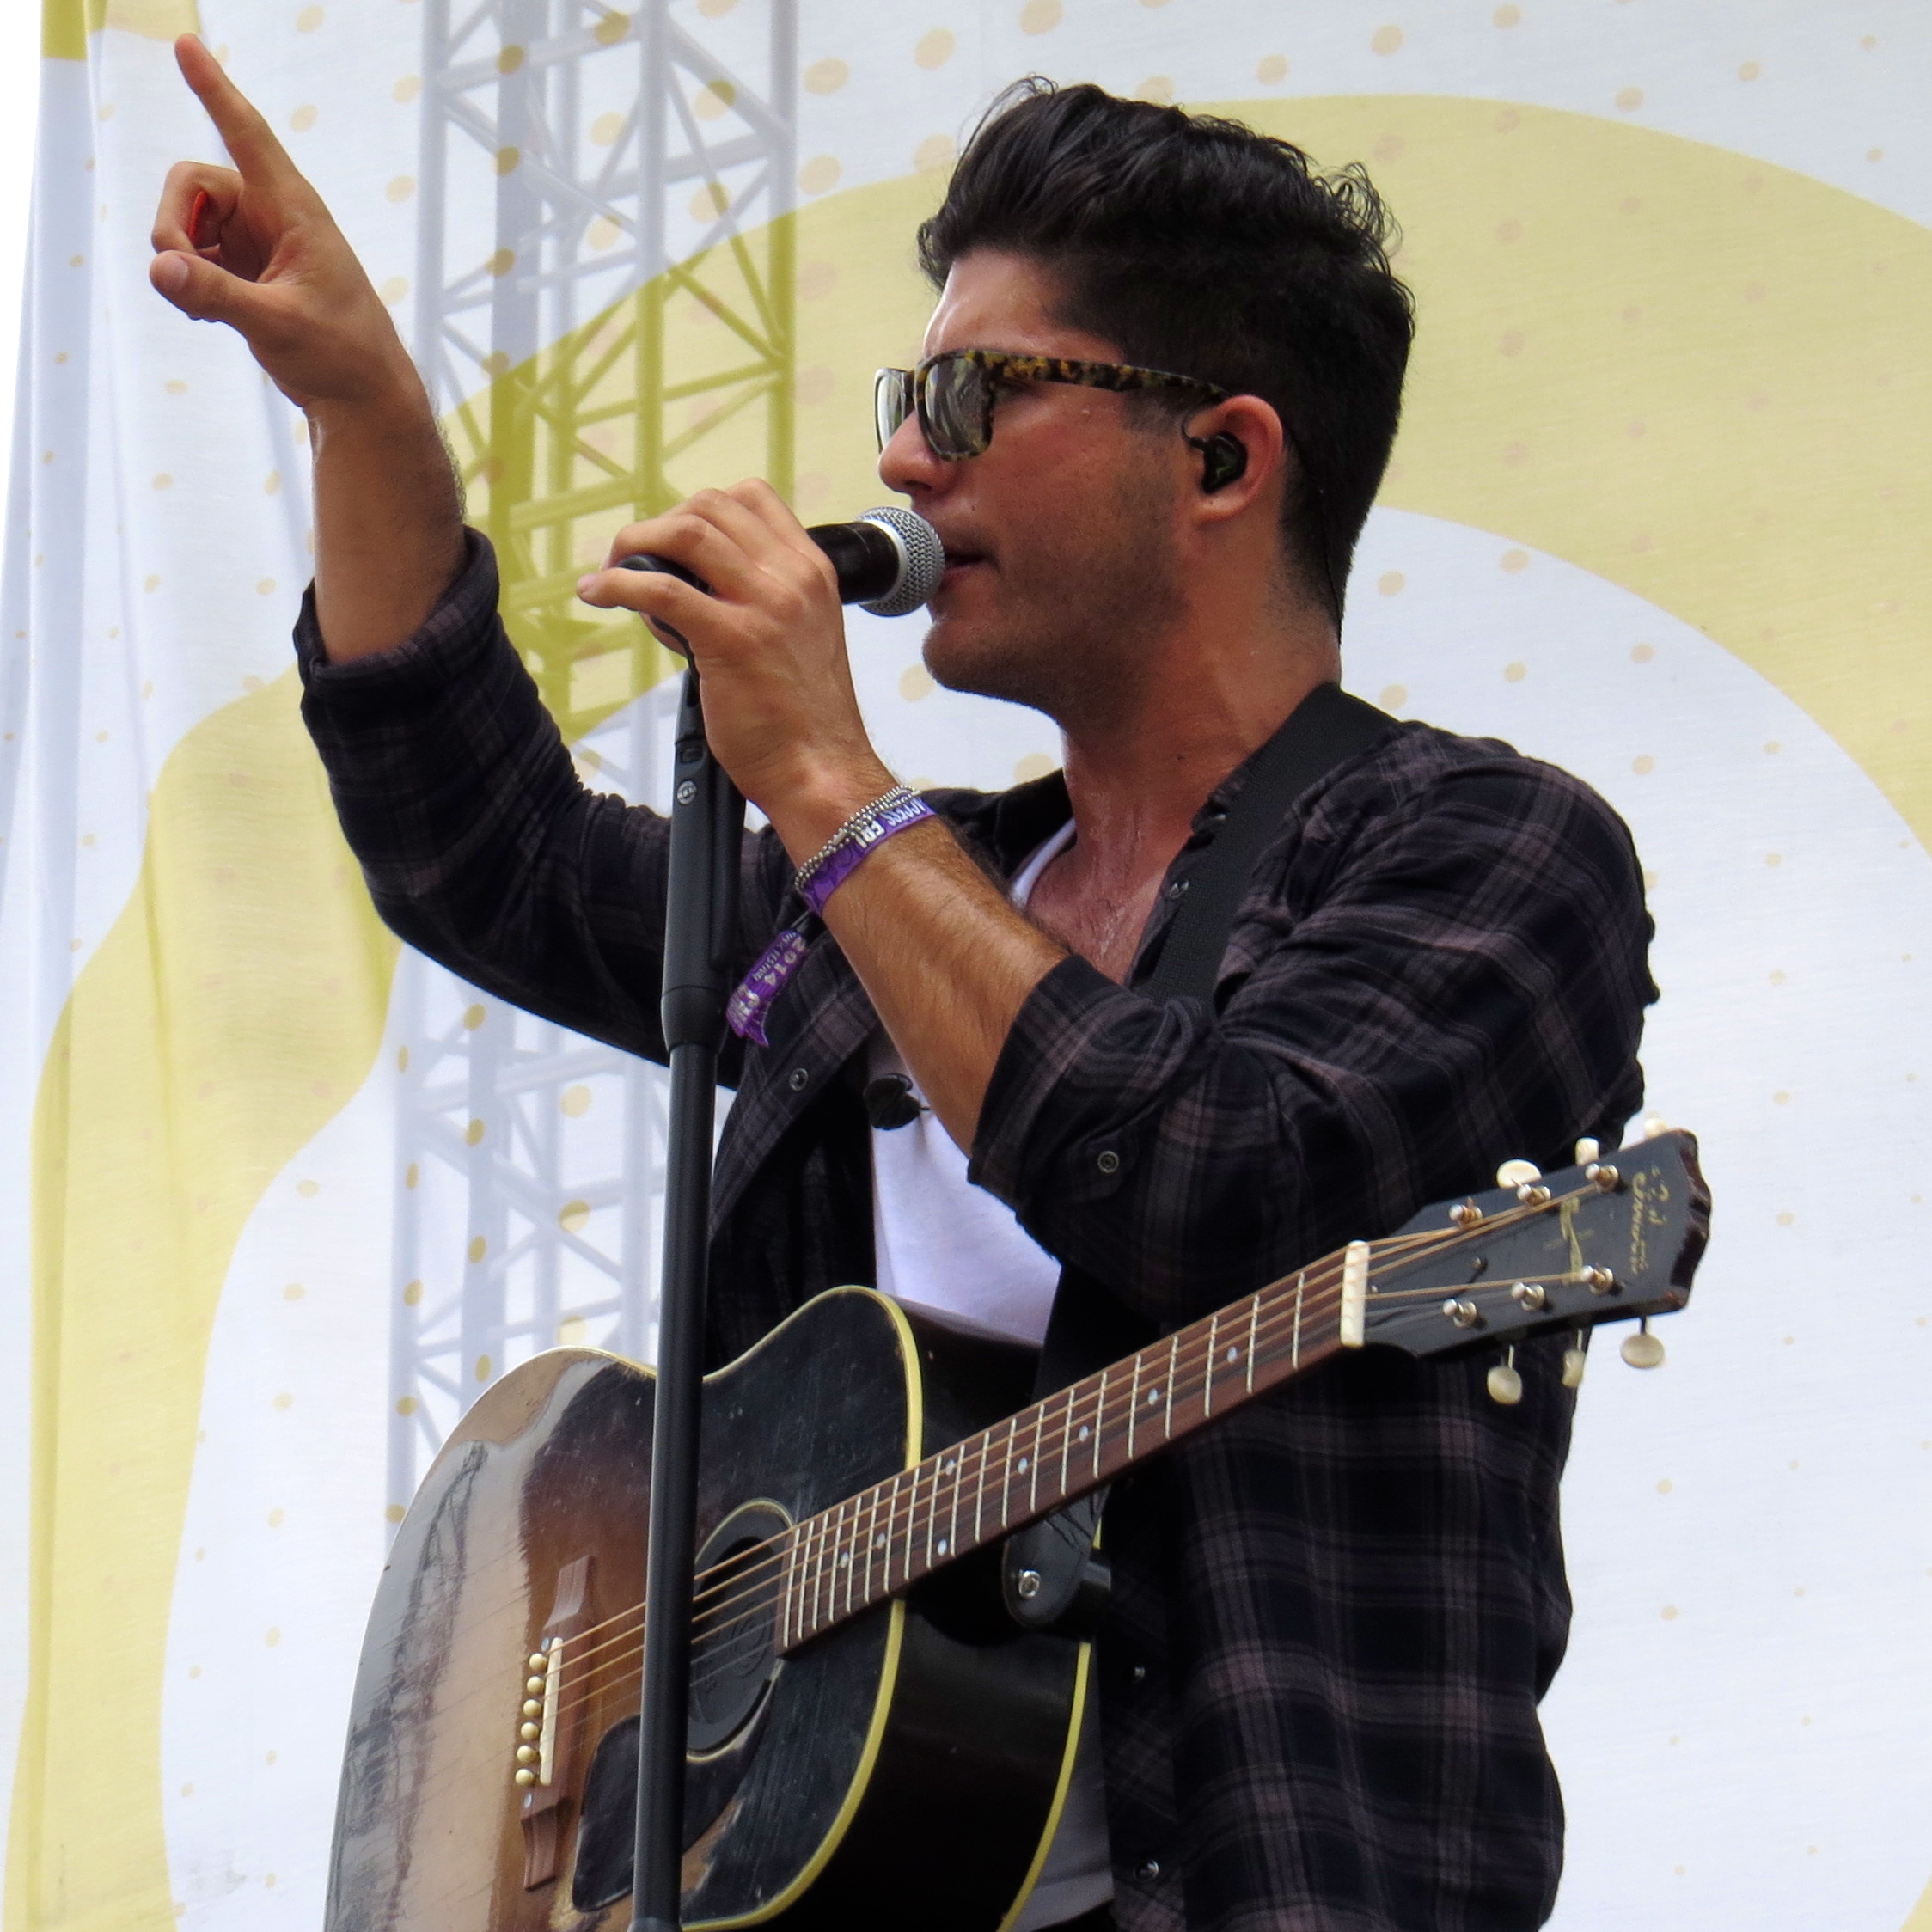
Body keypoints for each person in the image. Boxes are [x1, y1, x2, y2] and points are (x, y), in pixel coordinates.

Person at [150, 38, 1654, 1932]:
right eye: (901, 390)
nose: (897, 456)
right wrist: (362, 407)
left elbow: (1209, 1177)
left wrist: (830, 787)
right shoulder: (903, 889)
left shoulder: (1485, 854)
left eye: (971, 390)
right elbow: (491, 855)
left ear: (1217, 454)